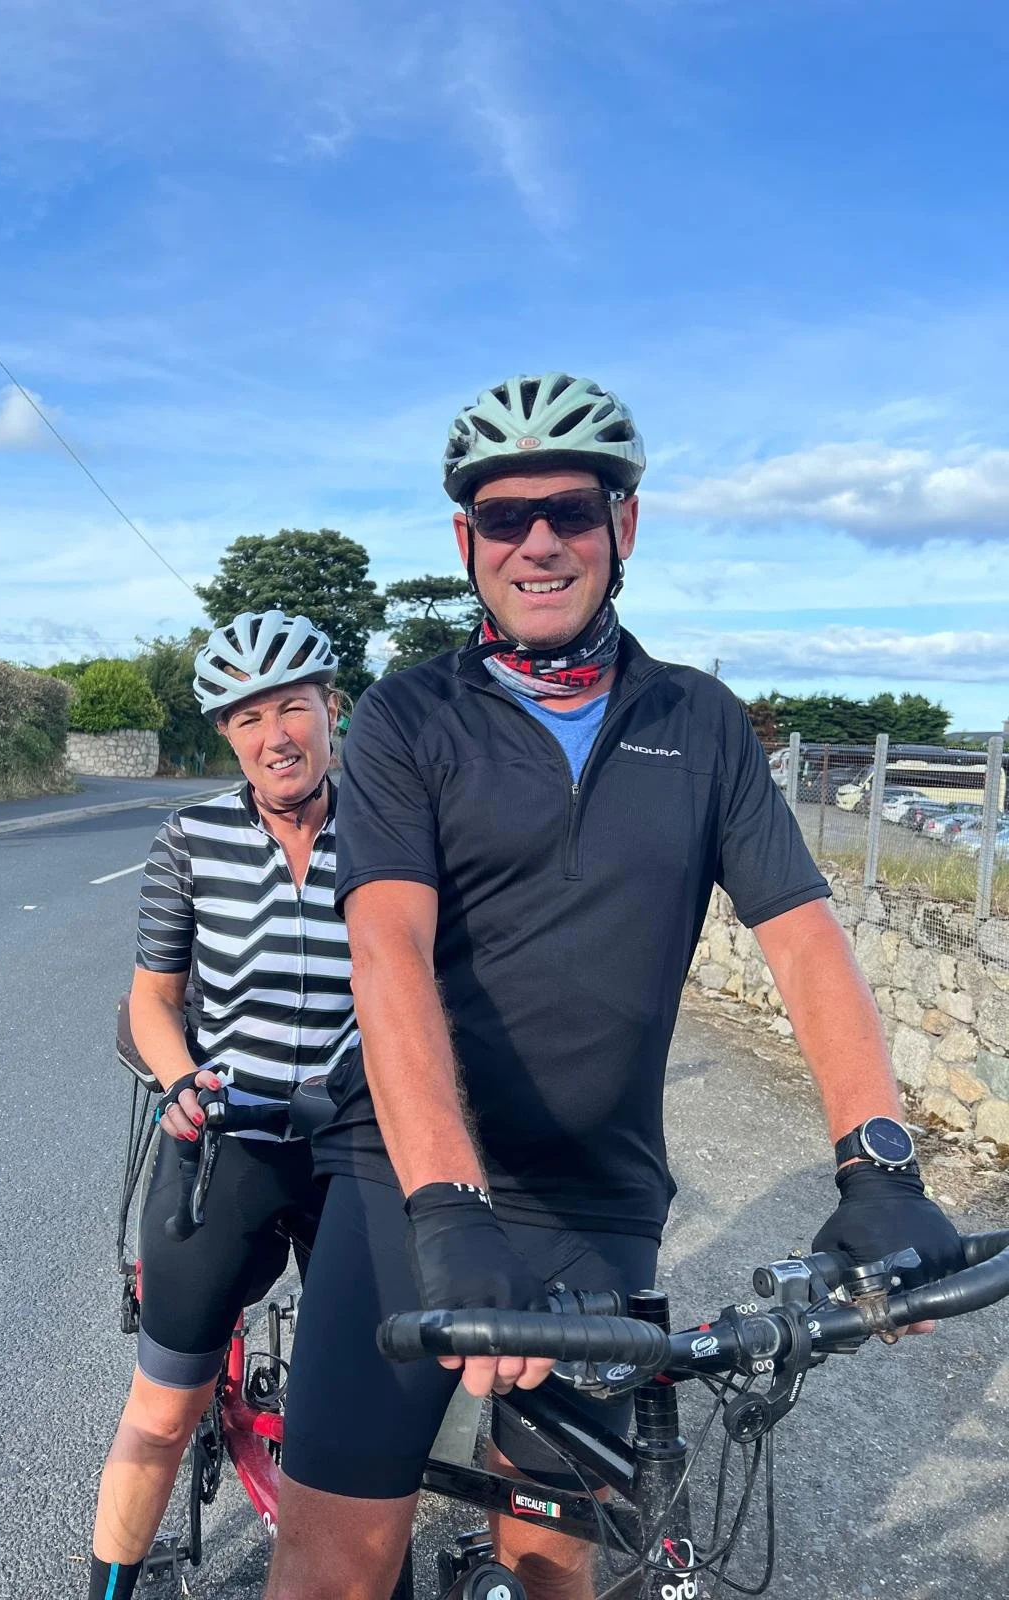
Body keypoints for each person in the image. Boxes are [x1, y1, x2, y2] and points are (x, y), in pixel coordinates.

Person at [263, 373, 964, 1600]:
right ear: (465, 541)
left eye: (572, 511)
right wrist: (445, 1198)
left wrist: (880, 1164)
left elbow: (804, 939)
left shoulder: (699, 721)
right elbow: (387, 953)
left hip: (596, 1194)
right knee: (337, 1558)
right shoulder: (407, 717)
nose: (538, 540)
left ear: (624, 527)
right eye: (503, 515)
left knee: (557, 1553)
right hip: (406, 1178)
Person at [87, 610, 355, 1600]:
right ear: (226, 735)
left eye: (292, 706)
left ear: (333, 709)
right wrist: (180, 1080)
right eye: (247, 718)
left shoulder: (394, 824)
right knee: (160, 1409)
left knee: (361, 1415)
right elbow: (156, 999)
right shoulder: (189, 836)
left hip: (353, 1148)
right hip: (224, 1138)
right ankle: (106, 1587)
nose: (273, 735)